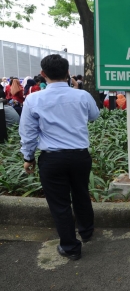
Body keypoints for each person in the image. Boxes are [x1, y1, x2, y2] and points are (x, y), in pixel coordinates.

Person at [19, 54, 100, 260]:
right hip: (80, 156)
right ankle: (87, 231)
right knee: (81, 193)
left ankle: (71, 248)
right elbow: (94, 116)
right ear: (68, 73)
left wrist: (28, 157)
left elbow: (28, 133)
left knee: (59, 203)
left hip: (52, 159)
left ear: (43, 74)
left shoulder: (33, 99)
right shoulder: (82, 96)